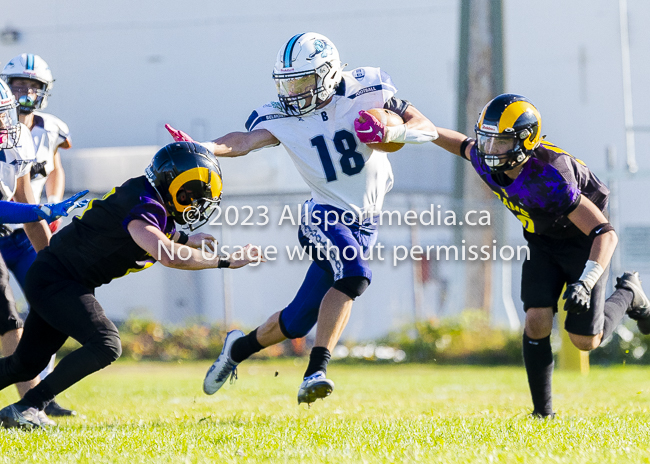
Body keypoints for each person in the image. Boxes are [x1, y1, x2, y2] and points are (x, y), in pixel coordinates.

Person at [166, 32, 438, 405]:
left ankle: (236, 349)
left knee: (296, 320)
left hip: (366, 222)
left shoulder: (367, 87)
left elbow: (427, 127)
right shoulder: (281, 115)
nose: (293, 92)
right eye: (288, 82)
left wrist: (394, 130)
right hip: (323, 215)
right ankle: (316, 371)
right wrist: (205, 147)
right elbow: (244, 141)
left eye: (302, 81)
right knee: (355, 274)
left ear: (327, 74)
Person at [0, 141, 263, 429]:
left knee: (25, 364)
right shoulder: (143, 205)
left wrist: (186, 239)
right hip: (59, 279)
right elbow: (166, 253)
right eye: (191, 196)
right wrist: (226, 260)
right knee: (106, 343)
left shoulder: (147, 197)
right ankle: (30, 405)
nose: (195, 205)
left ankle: (28, 406)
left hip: (56, 276)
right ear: (171, 185)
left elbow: (155, 233)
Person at [431, 93, 650, 417]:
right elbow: (460, 143)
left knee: (584, 341)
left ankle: (630, 293)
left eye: (501, 142)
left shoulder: (551, 177)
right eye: (487, 140)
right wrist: (410, 128)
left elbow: (605, 233)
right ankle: (542, 413)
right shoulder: (487, 157)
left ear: (525, 141)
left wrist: (586, 282)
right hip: (542, 241)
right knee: (536, 320)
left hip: (583, 243)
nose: (489, 150)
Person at [0, 53, 76, 418]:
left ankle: (37, 397)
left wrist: (47, 210)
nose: (24, 94)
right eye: (16, 87)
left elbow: (22, 195)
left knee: (40, 305)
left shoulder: (31, 138)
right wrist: (41, 212)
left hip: (19, 234)